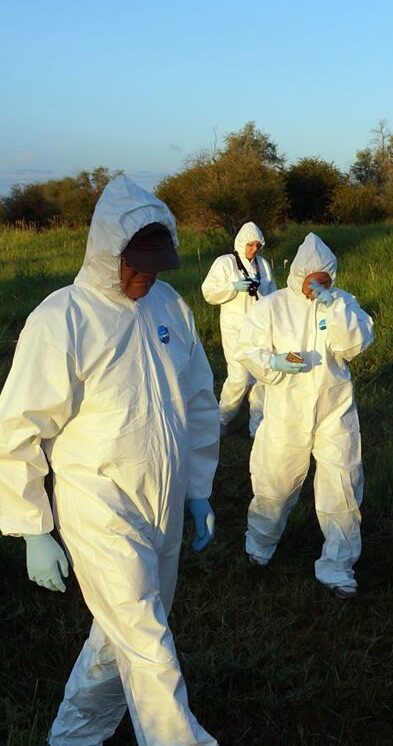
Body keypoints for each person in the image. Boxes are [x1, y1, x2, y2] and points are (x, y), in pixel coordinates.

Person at [0, 175, 220, 745]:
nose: (145, 276)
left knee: (123, 633)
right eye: (136, 264)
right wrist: (32, 528)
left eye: (155, 265)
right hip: (98, 503)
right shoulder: (64, 318)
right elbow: (19, 424)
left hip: (164, 501)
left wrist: (198, 489)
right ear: (106, 254)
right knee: (147, 644)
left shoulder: (169, 306)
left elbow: (198, 398)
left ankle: (72, 736)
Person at [236, 232, 373, 599]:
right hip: (286, 410)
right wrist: (275, 363)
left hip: (334, 410)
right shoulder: (272, 306)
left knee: (341, 486)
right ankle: (259, 546)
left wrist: (332, 305)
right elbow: (248, 350)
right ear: (296, 276)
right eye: (311, 281)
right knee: (275, 483)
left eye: (324, 281)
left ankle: (338, 565)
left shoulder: (343, 302)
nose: (316, 286)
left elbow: (354, 345)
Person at [201, 222, 276, 437]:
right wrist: (233, 288)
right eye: (250, 245)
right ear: (241, 243)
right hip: (235, 327)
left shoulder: (263, 265)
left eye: (257, 246)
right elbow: (208, 292)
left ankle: (257, 426)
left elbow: (272, 293)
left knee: (262, 377)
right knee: (239, 377)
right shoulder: (225, 263)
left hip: (260, 329)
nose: (254, 250)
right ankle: (221, 419)